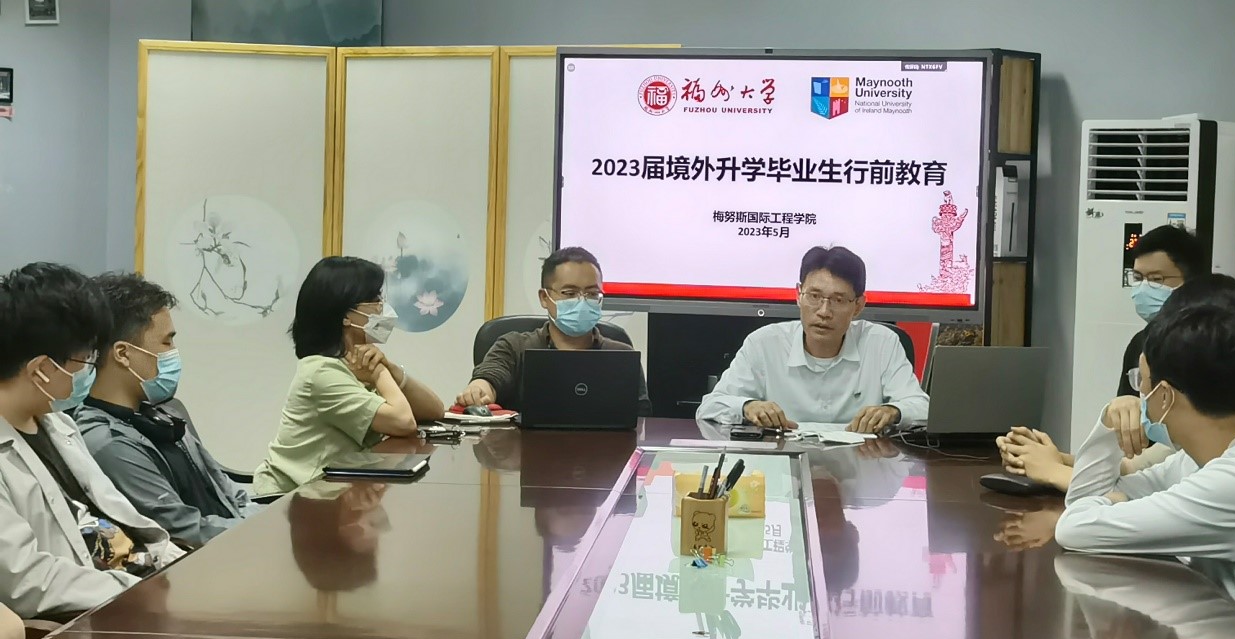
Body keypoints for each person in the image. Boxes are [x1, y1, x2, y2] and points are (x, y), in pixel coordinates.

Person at [1054, 274, 1235, 611]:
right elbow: (1085, 502)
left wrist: (1113, 499)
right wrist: (1109, 423)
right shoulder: (1204, 459)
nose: (1138, 392)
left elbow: (1074, 529)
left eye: (1141, 380)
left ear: (1165, 396)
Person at [0, 264, 183, 619]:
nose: (89, 370)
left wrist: (176, 569)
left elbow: (122, 520)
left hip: (143, 586)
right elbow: (27, 581)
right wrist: (139, 591)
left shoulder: (58, 424)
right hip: (99, 616)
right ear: (41, 370)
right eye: (83, 360)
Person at [997, 225, 1209, 489]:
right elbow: (1133, 467)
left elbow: (1127, 494)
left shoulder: (1206, 354)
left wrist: (1053, 471)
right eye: (1138, 278)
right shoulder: (1140, 345)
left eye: (1156, 279)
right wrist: (1053, 459)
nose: (1144, 289)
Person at [75, 273, 254, 547]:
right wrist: (269, 532)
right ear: (123, 354)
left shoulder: (161, 414)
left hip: (236, 540)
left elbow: (227, 492)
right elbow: (183, 530)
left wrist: (274, 519)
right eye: (166, 342)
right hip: (206, 559)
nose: (173, 352)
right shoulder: (107, 442)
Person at [254, 257, 446, 496]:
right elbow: (403, 422)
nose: (382, 307)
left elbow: (435, 410)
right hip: (290, 500)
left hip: (332, 491)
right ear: (345, 315)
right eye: (375, 299)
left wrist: (392, 369)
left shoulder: (352, 363)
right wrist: (380, 372)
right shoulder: (322, 373)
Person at [696, 246, 928, 432]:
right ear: (799, 295)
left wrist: (893, 411)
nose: (824, 311)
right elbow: (710, 407)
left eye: (838, 300)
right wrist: (747, 406)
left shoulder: (881, 343)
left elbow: (923, 408)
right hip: (782, 463)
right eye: (814, 296)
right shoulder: (764, 343)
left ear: (858, 306)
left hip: (863, 465)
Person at [457, 247, 651, 414]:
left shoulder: (622, 355)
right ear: (544, 298)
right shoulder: (514, 346)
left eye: (592, 293)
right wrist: (479, 388)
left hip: (606, 447)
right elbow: (491, 376)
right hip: (526, 447)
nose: (582, 301)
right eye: (570, 293)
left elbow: (643, 421)